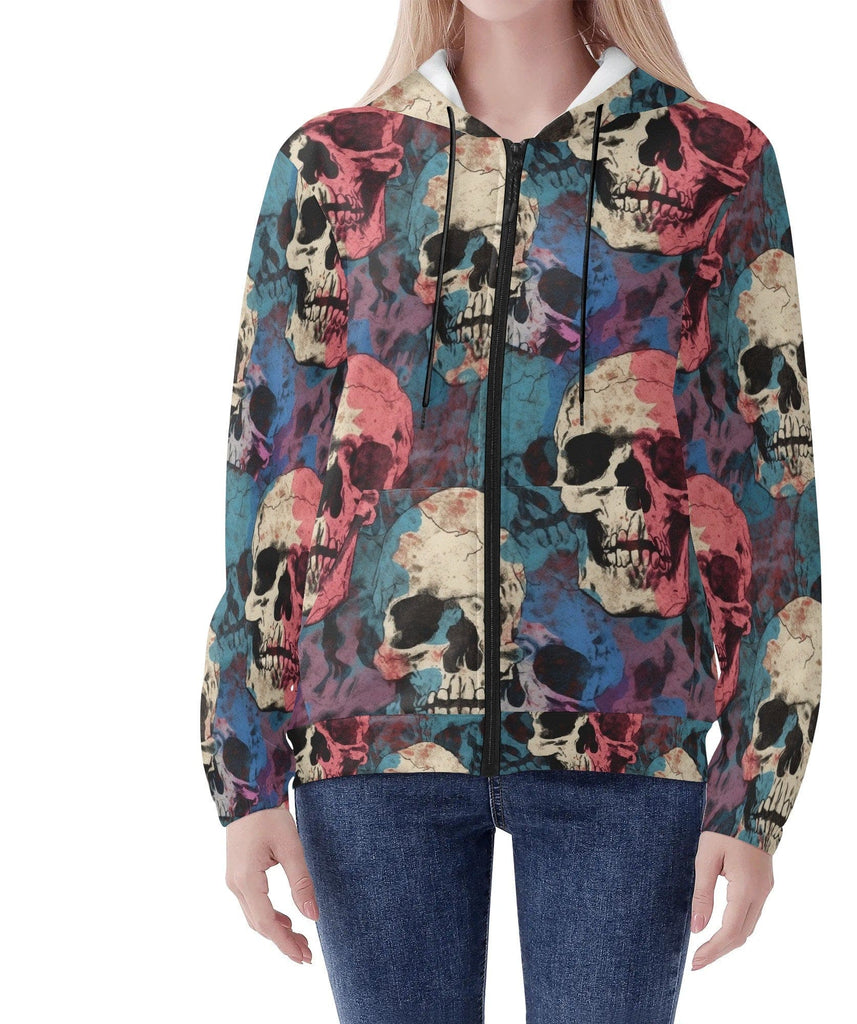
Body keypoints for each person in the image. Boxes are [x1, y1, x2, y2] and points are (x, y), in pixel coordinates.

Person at [199, 1, 823, 1020]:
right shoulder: (333, 164)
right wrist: (244, 769)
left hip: (627, 735)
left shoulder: (715, 161)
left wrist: (755, 794)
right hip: (370, 737)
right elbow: (267, 472)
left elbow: (769, 490)